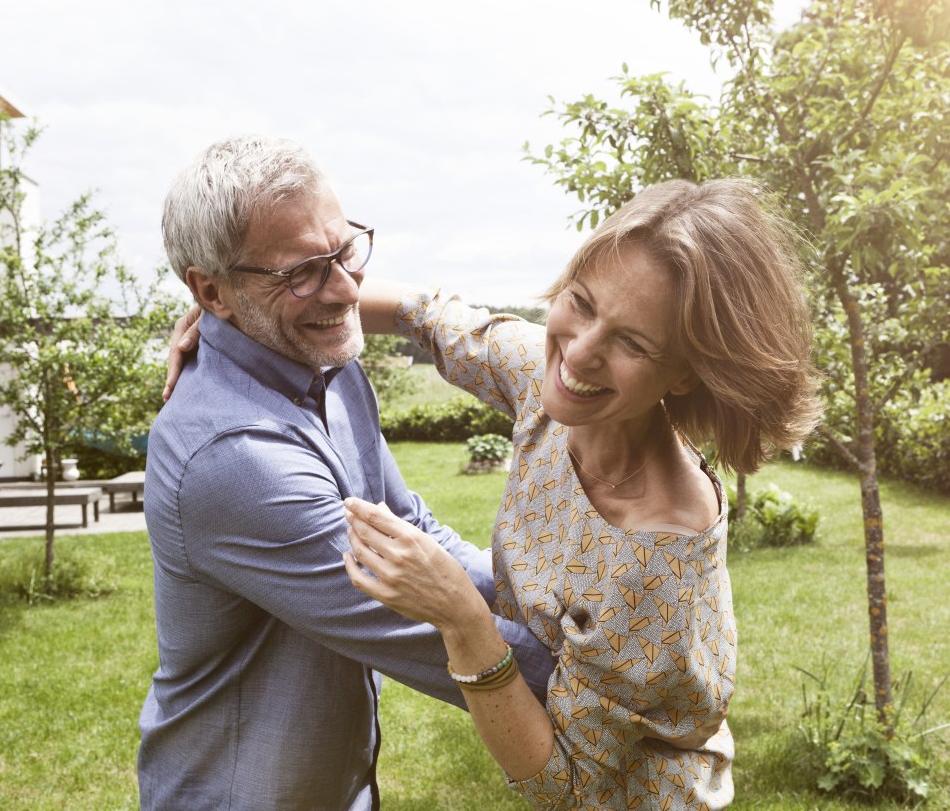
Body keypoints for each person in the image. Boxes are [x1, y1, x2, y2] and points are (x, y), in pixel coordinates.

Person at [340, 178, 822, 809]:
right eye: (583, 303)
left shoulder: (660, 558)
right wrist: (243, 319)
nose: (581, 351)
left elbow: (566, 785)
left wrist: (462, 618)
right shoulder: (546, 386)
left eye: (633, 343)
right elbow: (420, 312)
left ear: (684, 374)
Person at [139, 135, 555, 811]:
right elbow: (421, 619)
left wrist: (555, 610)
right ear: (210, 290)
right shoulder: (233, 457)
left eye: (344, 250)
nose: (345, 288)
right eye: (302, 271)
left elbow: (413, 534)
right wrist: (618, 679)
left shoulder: (325, 365)